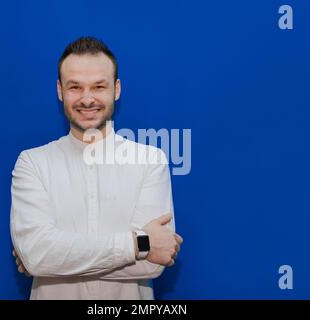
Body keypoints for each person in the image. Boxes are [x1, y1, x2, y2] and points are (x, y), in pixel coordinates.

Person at [10, 36, 183, 299]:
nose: (87, 99)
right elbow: (37, 255)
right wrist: (140, 243)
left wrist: (55, 261)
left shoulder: (150, 161)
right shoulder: (32, 163)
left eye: (99, 87)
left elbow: (152, 264)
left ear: (116, 89)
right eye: (75, 87)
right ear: (60, 91)